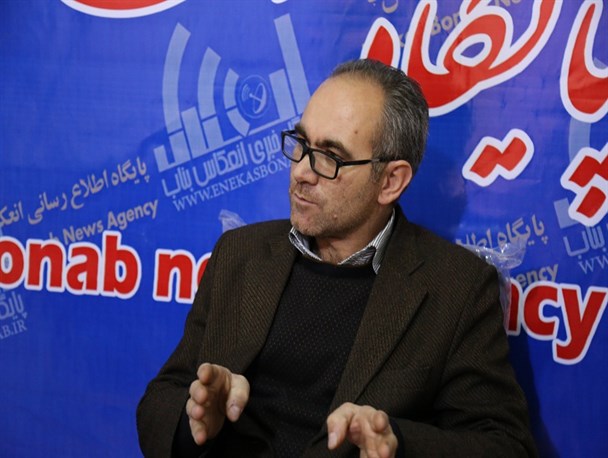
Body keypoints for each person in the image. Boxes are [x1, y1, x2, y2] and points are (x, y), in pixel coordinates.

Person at [137, 59, 537, 458]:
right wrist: (196, 422)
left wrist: (397, 443)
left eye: (330, 157)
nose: (301, 172)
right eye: (301, 143)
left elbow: (506, 445)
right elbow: (161, 400)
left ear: (390, 181)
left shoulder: (457, 289)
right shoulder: (240, 253)